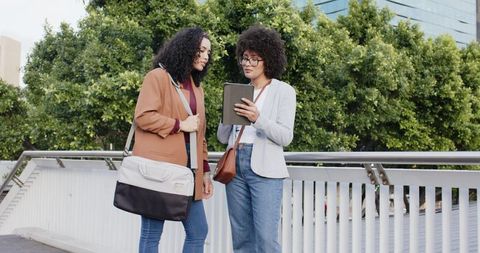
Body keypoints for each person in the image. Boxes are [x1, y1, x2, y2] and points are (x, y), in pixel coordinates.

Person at [133, 27, 213, 253]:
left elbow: (200, 132)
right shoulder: (157, 77)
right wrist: (179, 125)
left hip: (191, 171)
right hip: (161, 169)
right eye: (202, 50)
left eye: (208, 52)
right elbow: (143, 116)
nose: (206, 56)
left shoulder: (197, 87)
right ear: (187, 49)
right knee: (151, 235)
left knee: (198, 232)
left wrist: (205, 170)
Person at [217, 25, 296, 253]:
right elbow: (223, 138)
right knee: (241, 239)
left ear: (268, 60)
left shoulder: (283, 91)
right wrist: (228, 114)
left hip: (265, 169)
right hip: (235, 166)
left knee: (265, 239)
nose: (247, 64)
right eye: (244, 58)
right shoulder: (239, 90)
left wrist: (257, 118)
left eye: (254, 59)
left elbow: (285, 136)